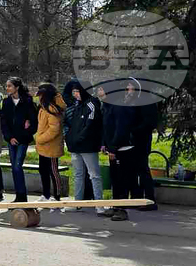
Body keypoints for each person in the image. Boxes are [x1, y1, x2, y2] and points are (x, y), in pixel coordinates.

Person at [62, 79, 106, 213]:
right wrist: (70, 139)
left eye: (77, 91)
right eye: (73, 91)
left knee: (94, 175)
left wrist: (80, 138)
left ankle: (99, 204)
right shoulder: (77, 105)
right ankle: (78, 202)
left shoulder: (92, 103)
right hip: (75, 147)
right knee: (78, 174)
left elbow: (91, 124)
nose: (75, 94)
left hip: (88, 146)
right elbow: (71, 124)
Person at [102, 80, 141, 221]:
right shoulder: (109, 106)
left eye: (102, 90)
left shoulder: (119, 107)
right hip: (114, 147)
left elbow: (121, 130)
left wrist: (113, 148)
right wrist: (104, 144)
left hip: (123, 148)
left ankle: (122, 209)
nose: (99, 93)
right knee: (115, 180)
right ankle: (115, 205)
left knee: (122, 180)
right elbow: (107, 127)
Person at [1, 77, 37, 203]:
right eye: (6, 86)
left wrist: (24, 132)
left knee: (17, 166)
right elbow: (4, 122)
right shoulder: (6, 102)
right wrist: (9, 137)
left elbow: (33, 123)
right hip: (11, 140)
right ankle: (19, 195)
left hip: (23, 139)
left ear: (17, 87)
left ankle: (22, 196)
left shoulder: (27, 101)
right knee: (14, 167)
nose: (7, 88)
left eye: (10, 86)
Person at [128, 77, 159, 210]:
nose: (128, 90)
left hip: (141, 140)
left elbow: (149, 122)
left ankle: (149, 199)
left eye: (130, 87)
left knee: (143, 170)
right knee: (133, 171)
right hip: (132, 140)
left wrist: (133, 130)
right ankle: (136, 198)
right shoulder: (132, 100)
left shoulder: (146, 102)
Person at [34, 83, 66, 202]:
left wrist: (40, 138)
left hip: (51, 147)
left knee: (53, 172)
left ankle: (57, 197)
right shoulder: (43, 107)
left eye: (41, 95)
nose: (39, 98)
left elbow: (54, 129)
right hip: (43, 147)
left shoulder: (52, 108)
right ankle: (46, 194)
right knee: (43, 170)